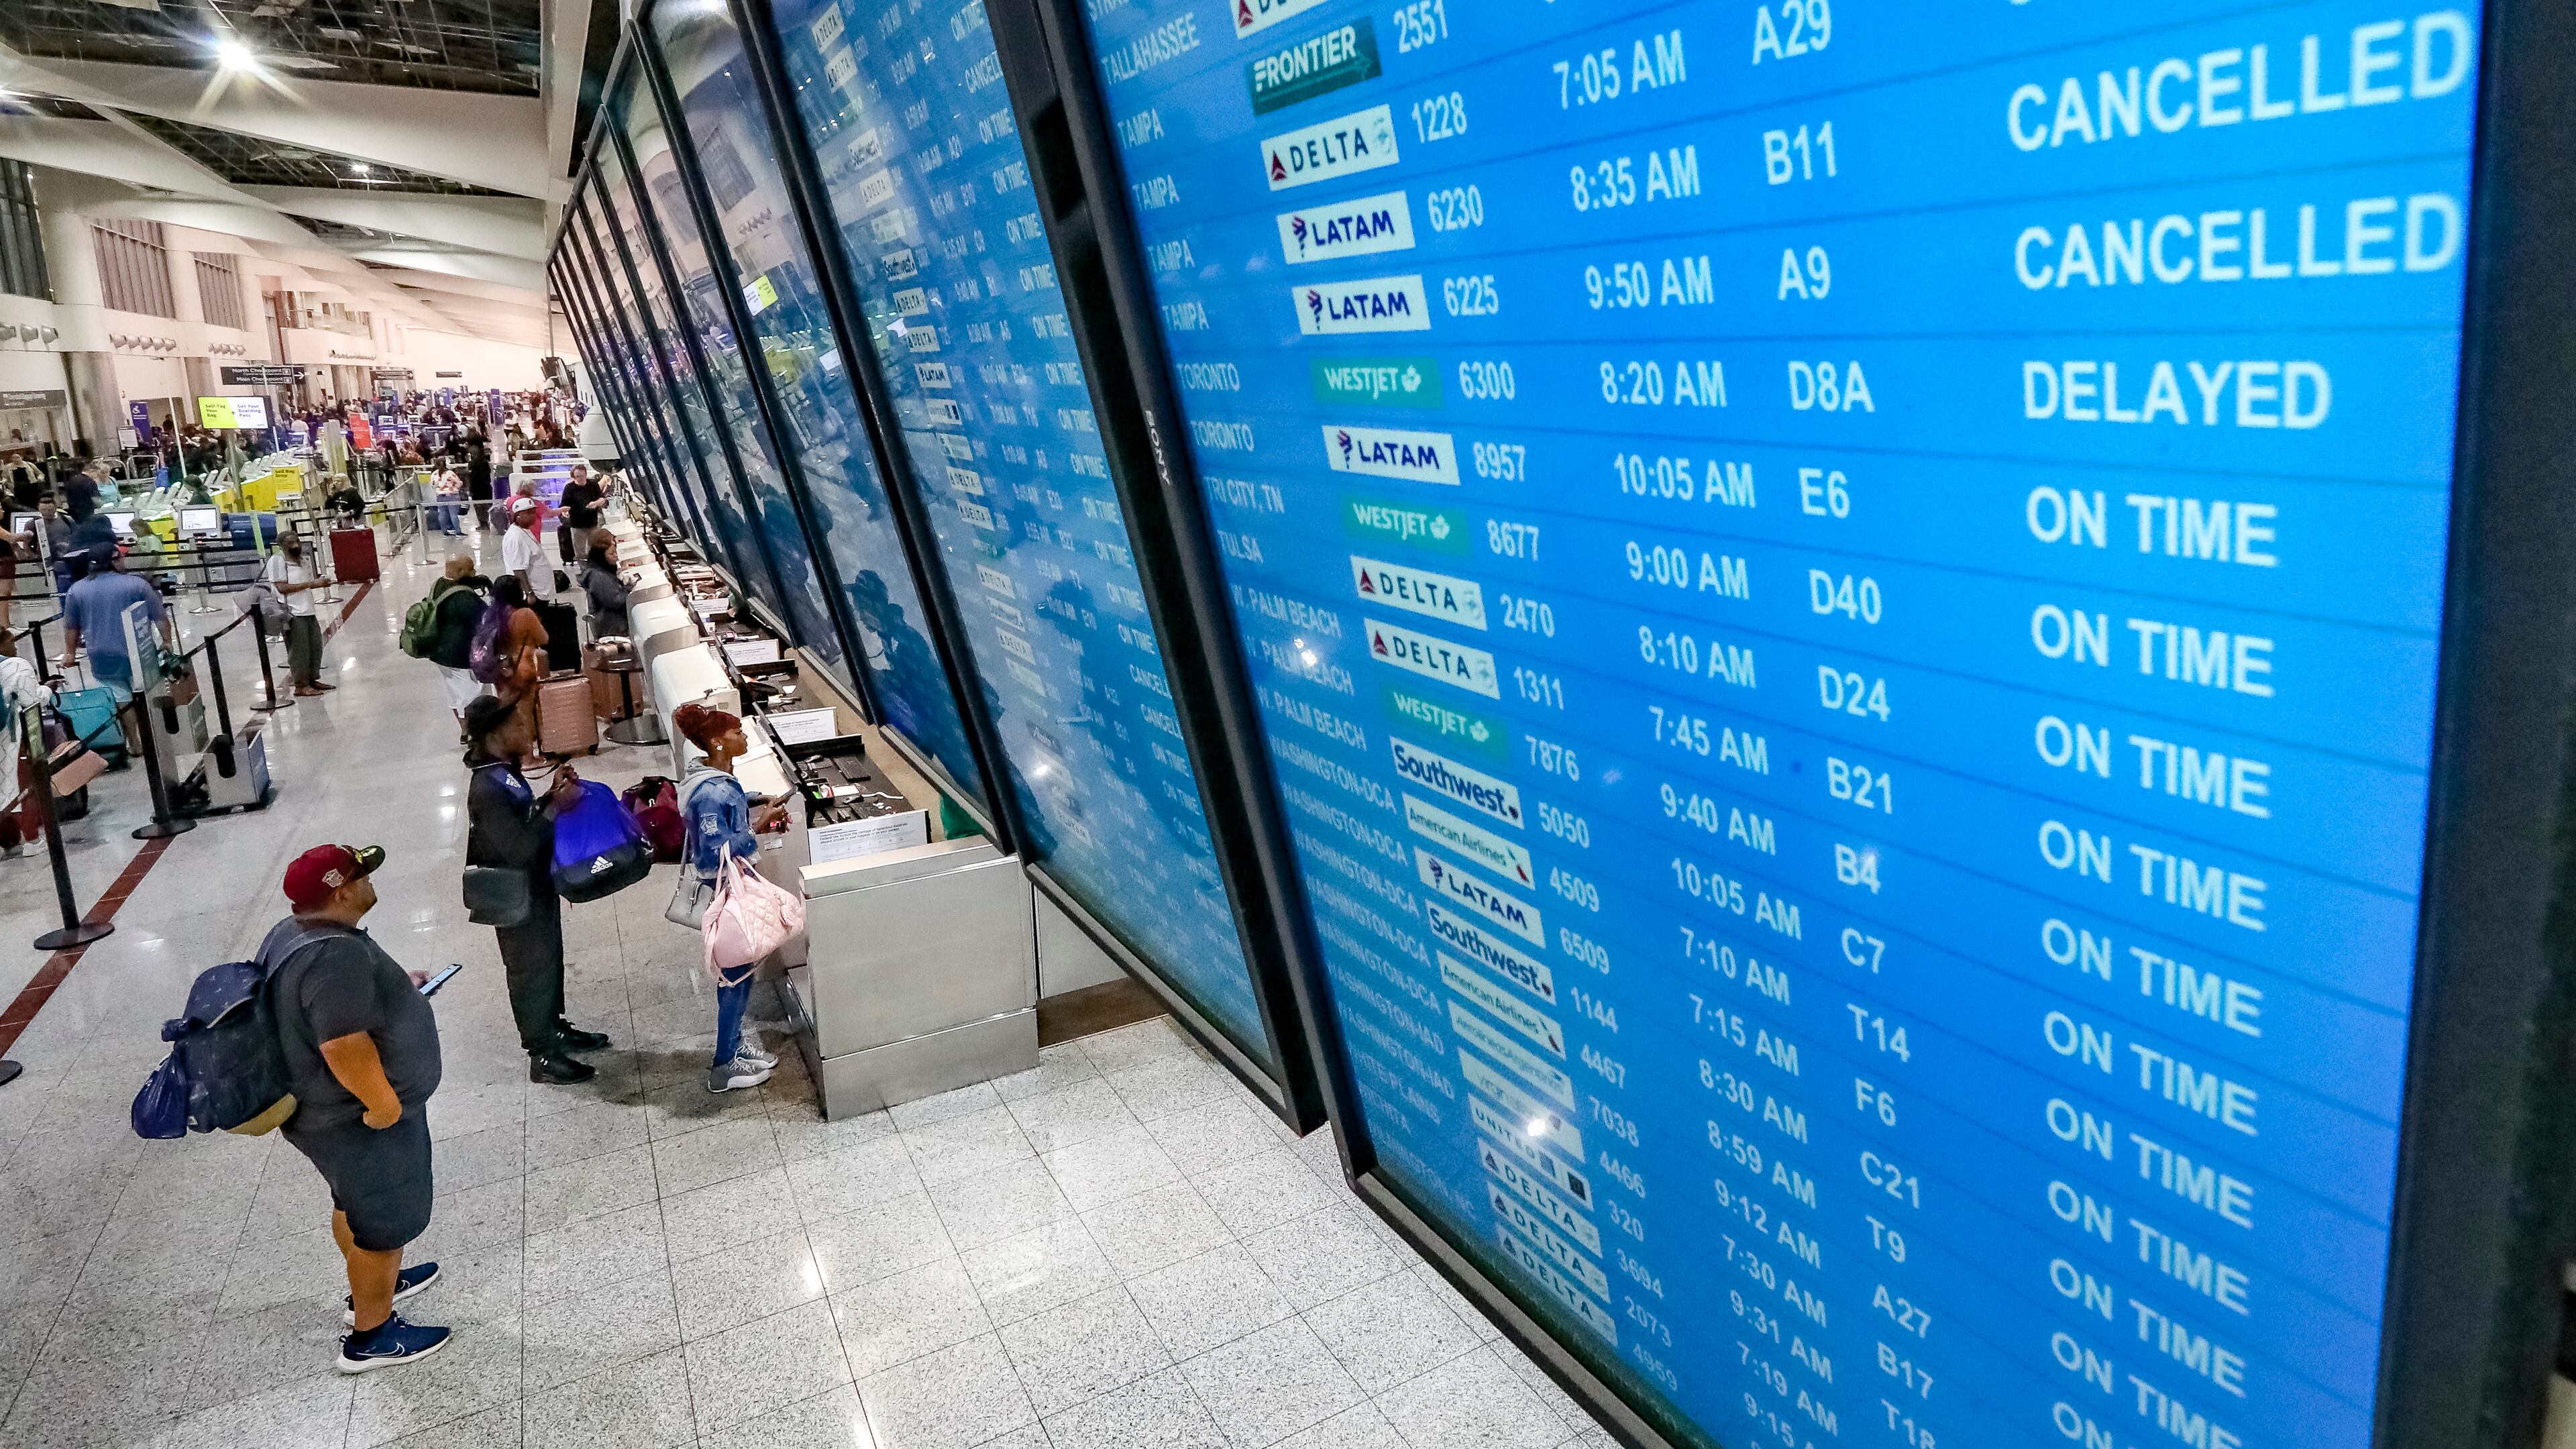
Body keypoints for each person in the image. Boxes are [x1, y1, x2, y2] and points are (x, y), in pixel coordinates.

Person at [263, 844, 453, 1372]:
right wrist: (384, 1105)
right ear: (342, 891)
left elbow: (329, 1010)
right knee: (383, 1223)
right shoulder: (334, 955)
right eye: (360, 873)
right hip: (355, 1120)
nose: (370, 879)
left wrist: (400, 996)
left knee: (354, 1204)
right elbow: (342, 1045)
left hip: (323, 1115)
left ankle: (376, 1285)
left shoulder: (294, 932)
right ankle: (371, 1336)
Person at [462, 695, 608, 1084]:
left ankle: (554, 1027)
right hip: (514, 896)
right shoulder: (487, 788)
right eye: (520, 726)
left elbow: (522, 823)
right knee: (530, 969)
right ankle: (542, 1054)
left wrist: (549, 796)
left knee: (548, 959)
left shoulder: (501, 770)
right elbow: (519, 848)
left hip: (534, 887)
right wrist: (556, 806)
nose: (529, 732)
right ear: (496, 734)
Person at [672, 704, 786, 1093]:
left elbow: (731, 798)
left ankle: (735, 1044)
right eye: (738, 732)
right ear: (718, 742)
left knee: (744, 969)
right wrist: (758, 827)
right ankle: (724, 1064)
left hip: (735, 882)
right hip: (725, 888)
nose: (745, 736)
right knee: (735, 974)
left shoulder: (715, 778)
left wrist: (754, 799)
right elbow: (712, 849)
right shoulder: (709, 794)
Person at [60, 553, 172, 753]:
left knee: (121, 698)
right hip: (139, 651)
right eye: (120, 557)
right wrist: (167, 640)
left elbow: (71, 627)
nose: (124, 561)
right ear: (112, 561)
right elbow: (159, 616)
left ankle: (135, 744)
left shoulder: (76, 590)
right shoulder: (136, 584)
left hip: (101, 656)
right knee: (148, 694)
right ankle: (156, 739)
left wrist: (69, 653)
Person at [263, 533, 333, 696]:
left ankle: (312, 679)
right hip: (293, 612)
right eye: (290, 543)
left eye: (297, 541)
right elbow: (281, 587)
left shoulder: (303, 560)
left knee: (315, 647)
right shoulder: (278, 561)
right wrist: (311, 583)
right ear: (281, 546)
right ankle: (301, 685)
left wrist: (321, 582)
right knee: (299, 651)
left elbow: (308, 584)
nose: (295, 545)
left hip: (308, 610)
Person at [425, 556, 488, 732]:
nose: (474, 572)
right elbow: (487, 620)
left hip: (440, 653)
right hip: (460, 655)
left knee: (454, 693)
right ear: (461, 572)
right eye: (471, 569)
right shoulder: (465, 598)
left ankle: (464, 730)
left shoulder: (439, 585)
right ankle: (473, 733)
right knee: (473, 696)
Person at [487, 574, 547, 726]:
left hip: (500, 668)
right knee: (526, 713)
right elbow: (544, 639)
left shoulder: (490, 616)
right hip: (524, 667)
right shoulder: (525, 614)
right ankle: (527, 746)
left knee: (509, 710)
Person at [499, 497, 553, 604]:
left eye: (534, 512)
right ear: (517, 516)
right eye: (529, 513)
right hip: (532, 596)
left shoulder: (524, 530)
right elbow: (518, 569)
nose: (533, 516)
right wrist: (529, 593)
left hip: (540, 593)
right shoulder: (516, 537)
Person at [579, 543, 628, 643]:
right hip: (610, 627)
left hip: (607, 622)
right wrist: (627, 589)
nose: (616, 556)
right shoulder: (599, 577)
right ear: (601, 557)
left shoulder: (599, 571)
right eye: (611, 553)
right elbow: (616, 601)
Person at [557, 466, 599, 564]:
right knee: (580, 552)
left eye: (582, 476)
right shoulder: (569, 488)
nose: (580, 479)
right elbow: (564, 504)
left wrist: (596, 503)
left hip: (593, 522)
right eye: (577, 476)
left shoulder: (593, 484)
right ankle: (584, 572)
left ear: (586, 475)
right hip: (577, 524)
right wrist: (564, 511)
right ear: (574, 476)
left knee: (594, 550)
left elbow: (601, 498)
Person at [429, 459, 466, 537]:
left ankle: (445, 532)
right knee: (454, 515)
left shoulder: (434, 474)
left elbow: (433, 486)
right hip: (452, 495)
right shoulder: (450, 473)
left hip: (440, 496)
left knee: (442, 514)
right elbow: (458, 483)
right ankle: (458, 531)